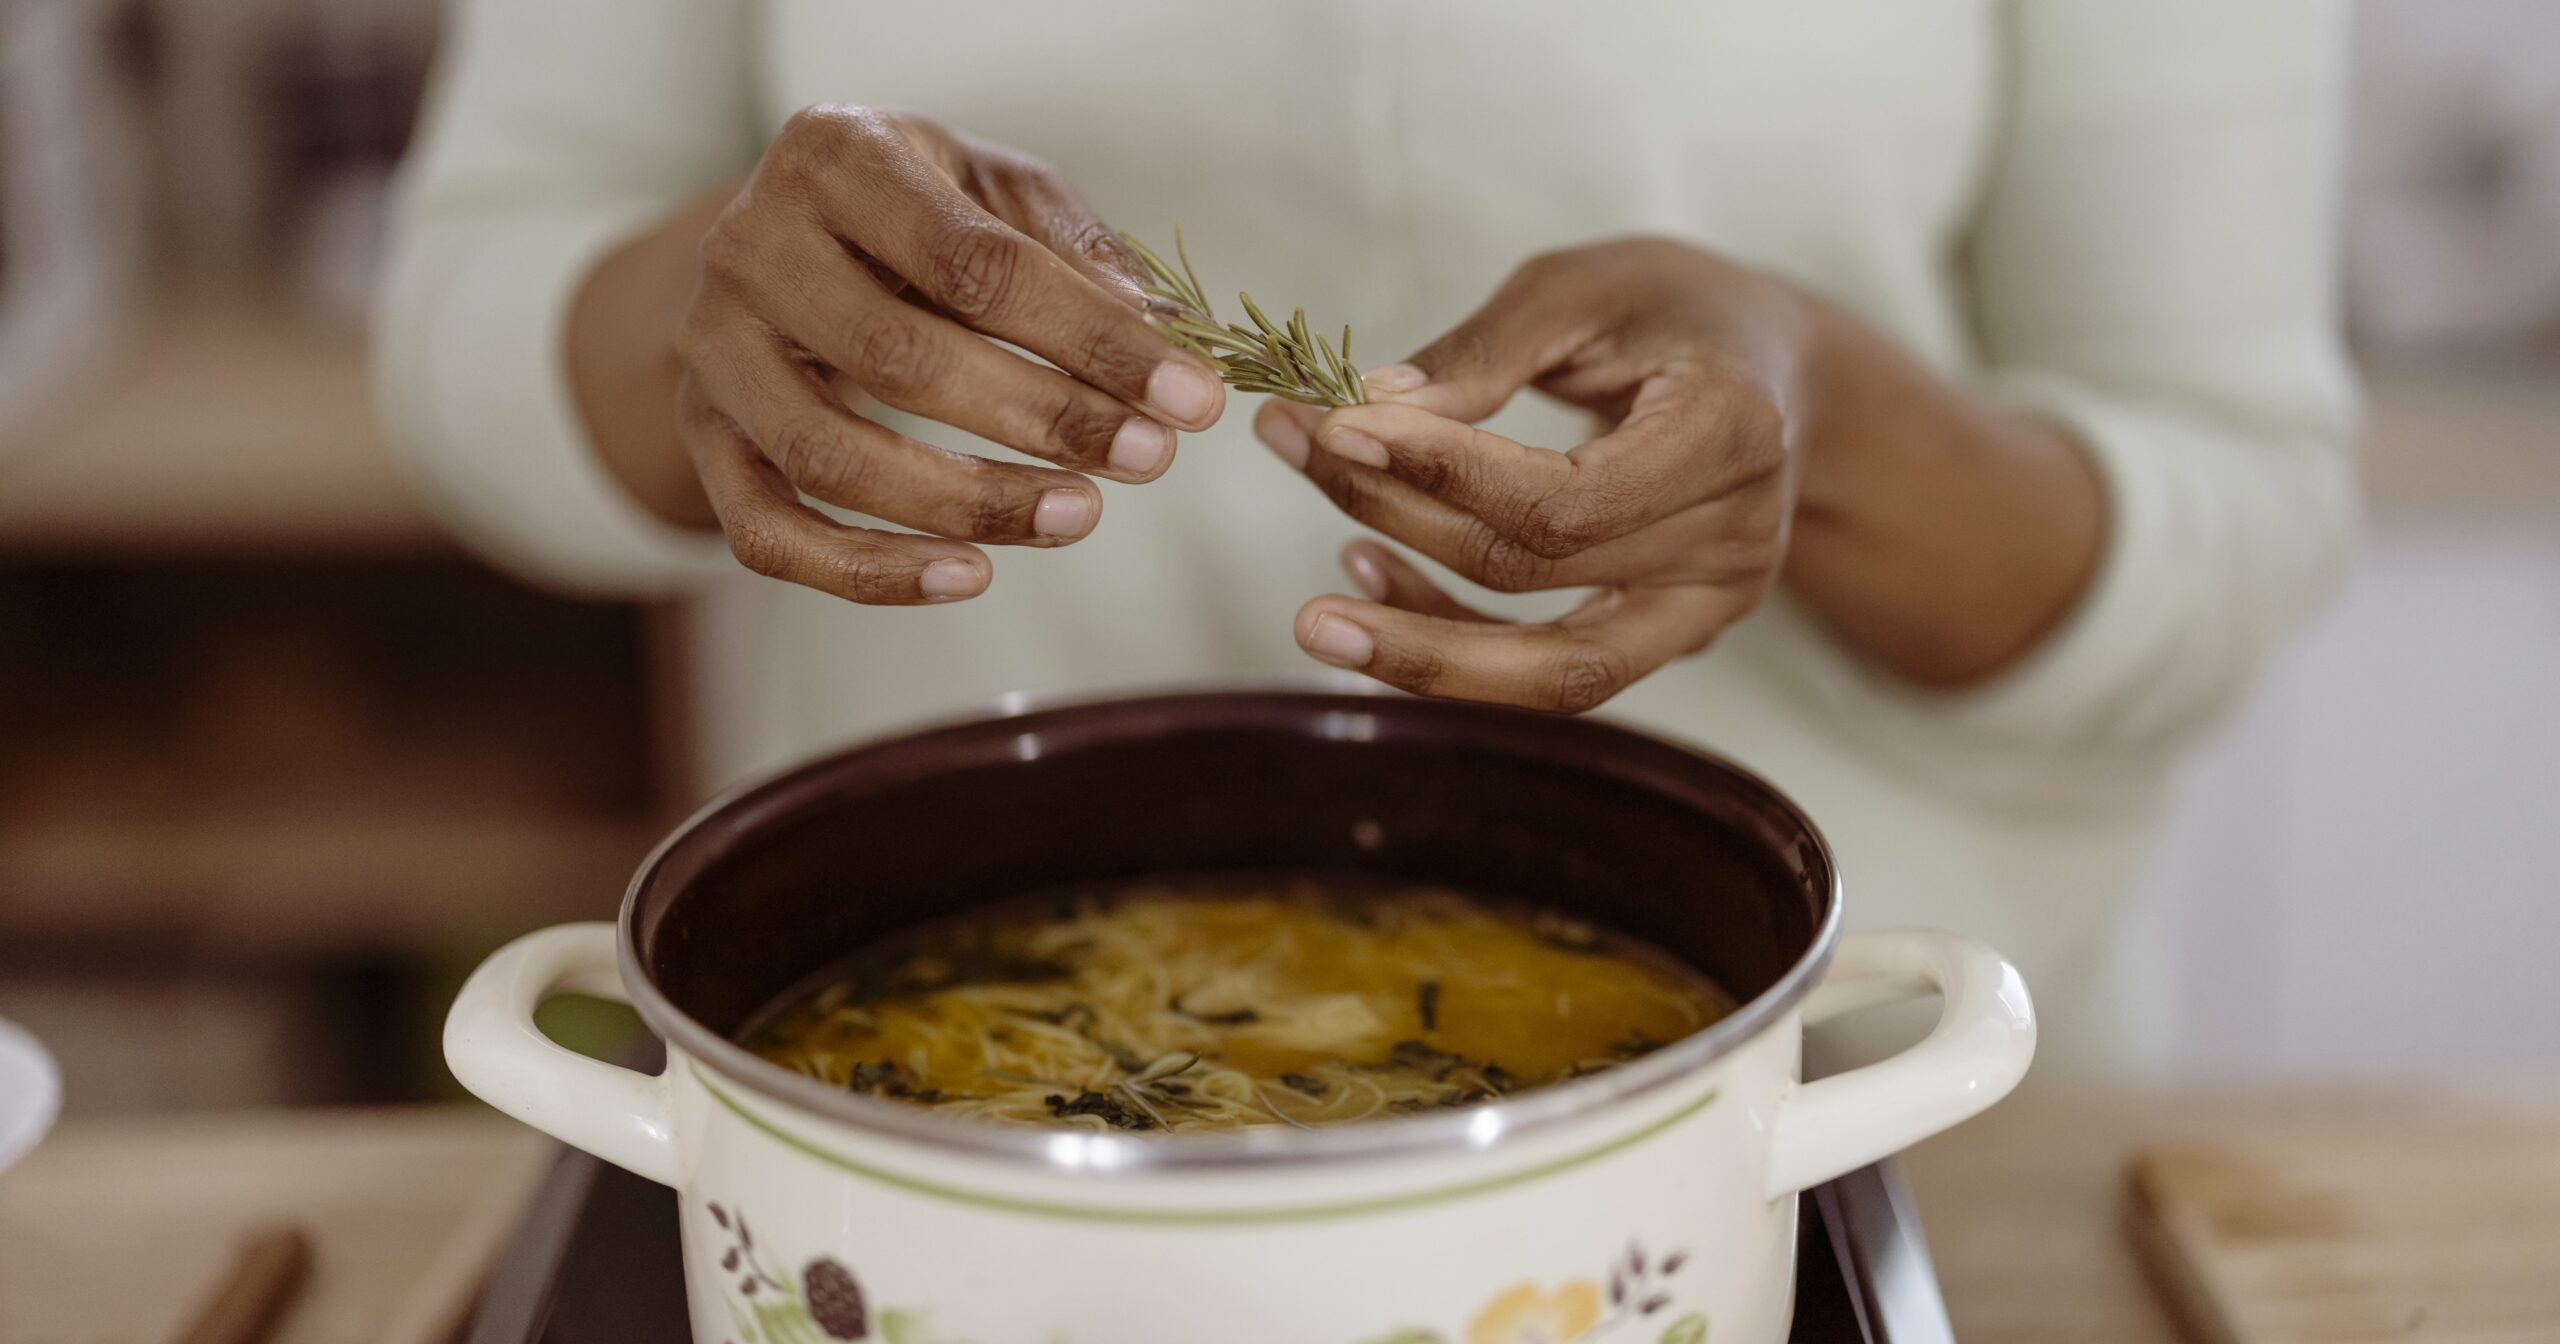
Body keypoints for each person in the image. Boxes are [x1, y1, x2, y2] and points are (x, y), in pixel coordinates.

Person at [374, 1, 2359, 1077]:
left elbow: (2233, 509)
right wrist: (717, 317)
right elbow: (464, 328)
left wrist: (1815, 416)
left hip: (1831, 1083)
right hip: (947, 1068)